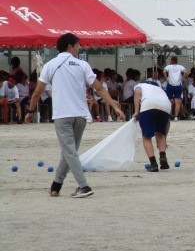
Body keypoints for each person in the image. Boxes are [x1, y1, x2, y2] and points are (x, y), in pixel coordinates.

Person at [25, 33, 125, 198]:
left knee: (70, 152)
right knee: (69, 151)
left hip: (62, 115)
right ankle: (56, 186)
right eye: (77, 46)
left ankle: (83, 186)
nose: (79, 49)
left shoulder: (50, 65)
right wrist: (115, 106)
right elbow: (99, 88)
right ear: (69, 46)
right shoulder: (82, 65)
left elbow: (37, 92)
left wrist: (30, 111)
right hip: (80, 115)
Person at [132, 81, 172, 172]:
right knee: (160, 134)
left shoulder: (140, 85)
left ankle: (153, 164)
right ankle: (163, 157)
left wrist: (136, 111)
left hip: (148, 105)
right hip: (165, 106)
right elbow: (168, 123)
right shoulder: (161, 90)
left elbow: (137, 93)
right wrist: (165, 138)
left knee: (146, 137)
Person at [163, 56, 185, 121]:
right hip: (178, 85)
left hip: (170, 84)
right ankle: (176, 116)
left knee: (169, 101)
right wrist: (182, 78)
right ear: (177, 61)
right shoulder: (180, 67)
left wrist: (166, 78)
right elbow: (186, 72)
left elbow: (164, 71)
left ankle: (169, 115)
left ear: (171, 60)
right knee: (177, 102)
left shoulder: (168, 66)